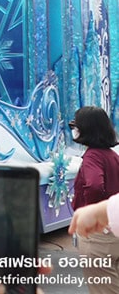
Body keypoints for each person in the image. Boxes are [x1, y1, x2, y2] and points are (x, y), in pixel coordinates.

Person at [70, 106, 119, 293]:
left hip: (99, 235)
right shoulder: (112, 156)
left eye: (75, 125)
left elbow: (94, 186)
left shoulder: (92, 156)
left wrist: (92, 213)